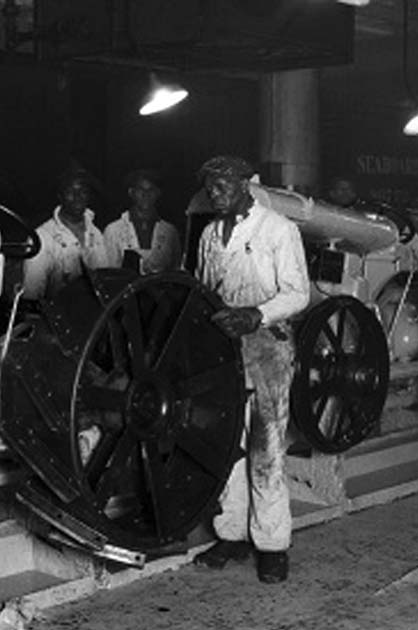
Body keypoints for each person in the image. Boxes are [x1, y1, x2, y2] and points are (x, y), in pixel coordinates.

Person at [190, 156, 310, 584]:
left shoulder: (278, 229)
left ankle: (273, 545)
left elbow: (298, 293)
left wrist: (256, 315)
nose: (215, 192)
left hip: (266, 347)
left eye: (222, 184)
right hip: (222, 350)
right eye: (210, 186)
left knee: (266, 447)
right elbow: (206, 290)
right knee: (226, 443)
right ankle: (232, 534)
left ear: (246, 183)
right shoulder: (208, 234)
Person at [21, 167, 114, 299]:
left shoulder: (96, 233)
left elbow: (106, 282)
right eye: (70, 191)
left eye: (83, 191)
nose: (77, 197)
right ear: (60, 196)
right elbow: (31, 295)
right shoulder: (42, 237)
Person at [103, 169, 181, 274]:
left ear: (158, 193)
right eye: (141, 189)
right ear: (131, 192)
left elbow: (176, 271)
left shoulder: (170, 231)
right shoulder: (113, 230)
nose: (146, 194)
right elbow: (109, 274)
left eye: (151, 190)